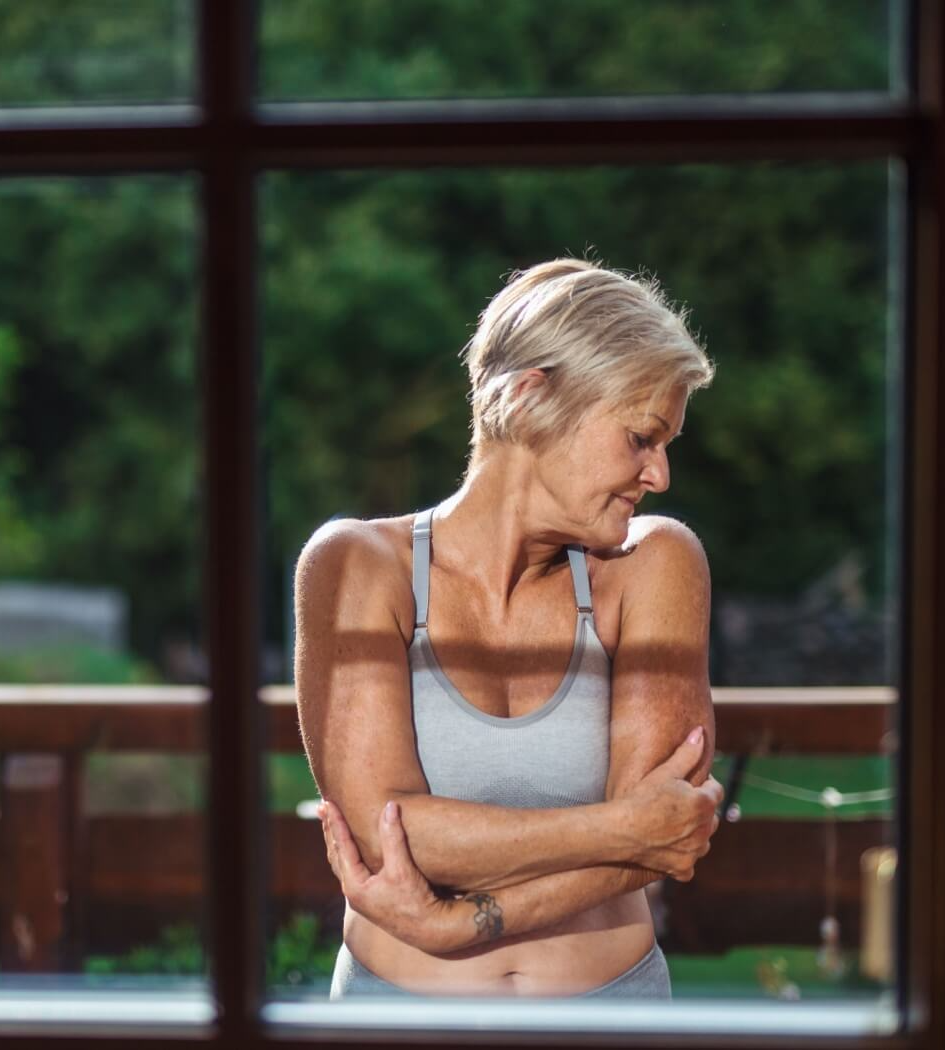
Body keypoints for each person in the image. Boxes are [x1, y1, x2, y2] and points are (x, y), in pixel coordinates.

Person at [292, 258, 726, 1000]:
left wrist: (463, 923)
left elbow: (669, 837)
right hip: (394, 1017)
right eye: (641, 438)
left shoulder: (654, 563)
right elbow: (390, 834)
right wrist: (622, 827)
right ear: (530, 399)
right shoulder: (358, 564)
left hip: (611, 1011)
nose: (660, 475)